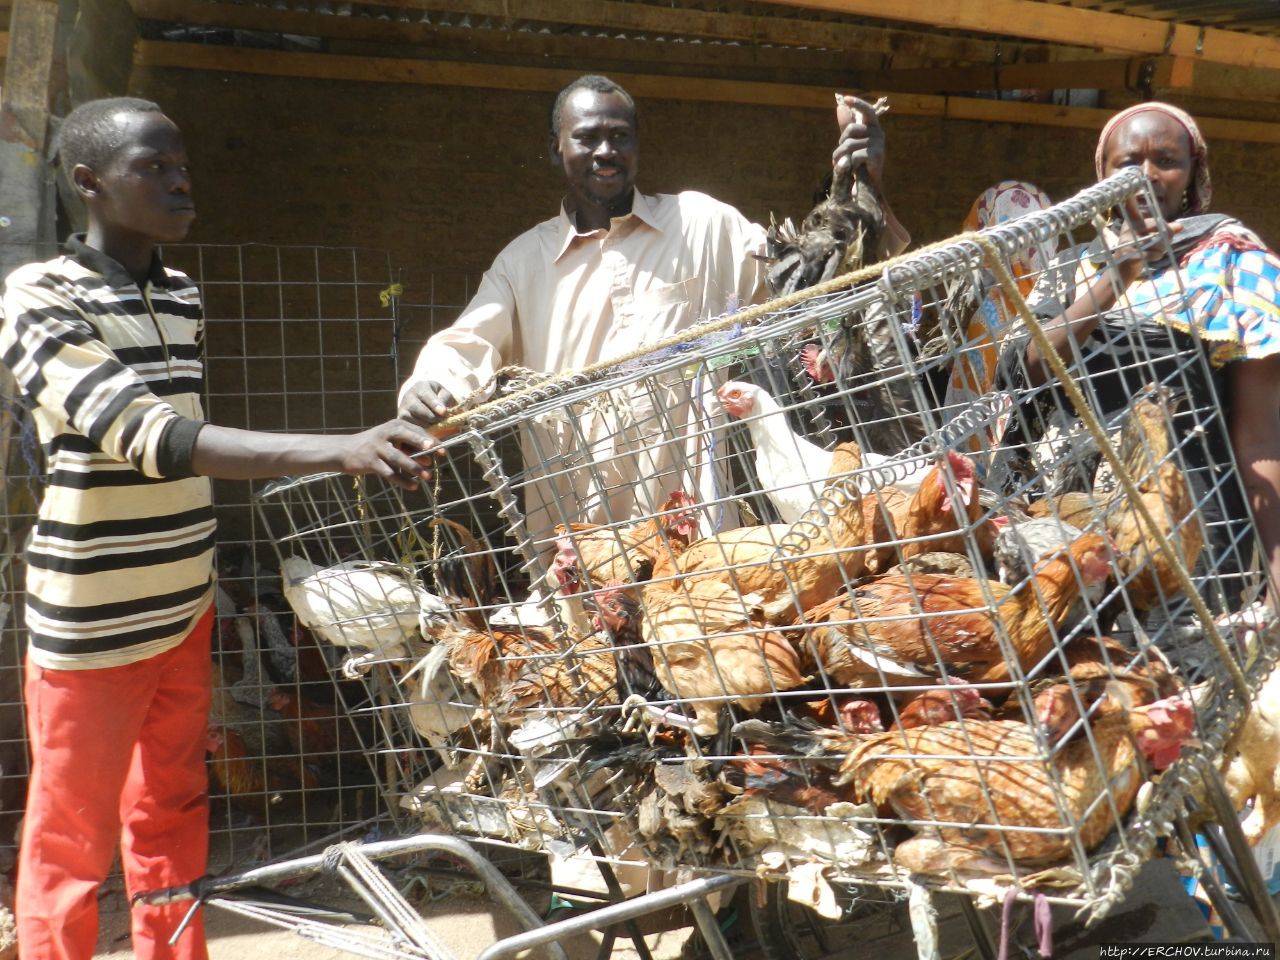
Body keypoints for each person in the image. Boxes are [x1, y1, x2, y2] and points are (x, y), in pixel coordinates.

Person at [0, 97, 436, 960]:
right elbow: (153, 438)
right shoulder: (36, 296)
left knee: (172, 810)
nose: (179, 182)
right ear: (89, 183)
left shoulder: (180, 294)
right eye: (153, 168)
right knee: (71, 842)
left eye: (182, 165)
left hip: (181, 605)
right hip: (92, 624)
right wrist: (339, 449)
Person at [397, 75, 909, 538]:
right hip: (577, 545)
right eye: (587, 137)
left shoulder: (704, 226)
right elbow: (466, 344)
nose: (605, 150)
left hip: (700, 539)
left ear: (638, 146)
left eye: (620, 136)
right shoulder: (523, 262)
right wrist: (428, 386)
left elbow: (817, 282)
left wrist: (866, 184)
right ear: (555, 150)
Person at [1006, 102, 1280, 617]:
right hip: (1062, 538)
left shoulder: (1238, 266)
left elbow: (1261, 433)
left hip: (1186, 542)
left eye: (1166, 160)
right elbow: (1030, 371)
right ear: (1101, 176)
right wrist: (1119, 274)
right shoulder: (1072, 269)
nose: (1147, 176)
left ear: (1193, 172)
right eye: (1127, 163)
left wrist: (1277, 578)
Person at [942, 180, 1054, 474]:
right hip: (1035, 459)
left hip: (978, 476)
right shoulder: (1062, 297)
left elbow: (967, 405)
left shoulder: (989, 314)